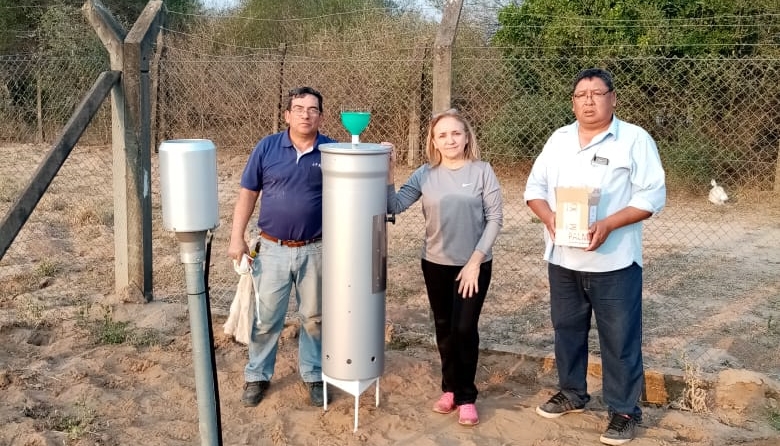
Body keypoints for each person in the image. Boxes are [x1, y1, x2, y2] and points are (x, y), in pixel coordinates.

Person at [524, 68, 666, 445]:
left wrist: (608, 224)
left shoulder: (634, 140)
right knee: (566, 332)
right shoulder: (558, 139)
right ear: (572, 102)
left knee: (619, 340)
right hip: (563, 260)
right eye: (580, 94)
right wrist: (550, 217)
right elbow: (534, 188)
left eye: (596, 93)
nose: (588, 100)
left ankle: (623, 411)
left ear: (613, 98)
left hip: (614, 262)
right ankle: (572, 392)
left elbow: (652, 196)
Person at [386, 108, 503, 426]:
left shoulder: (482, 171)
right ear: (433, 141)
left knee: (464, 329)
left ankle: (466, 396)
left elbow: (495, 219)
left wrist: (476, 261)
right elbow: (392, 207)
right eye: (442, 135)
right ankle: (449, 389)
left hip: (474, 265)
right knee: (444, 329)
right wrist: (389, 172)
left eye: (455, 133)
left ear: (466, 137)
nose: (449, 139)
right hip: (435, 264)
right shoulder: (425, 174)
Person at [227, 86, 336, 408]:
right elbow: (248, 193)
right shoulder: (267, 147)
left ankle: (315, 374)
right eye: (299, 108)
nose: (306, 114)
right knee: (266, 318)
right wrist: (237, 237)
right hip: (272, 248)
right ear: (287, 115)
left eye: (313, 109)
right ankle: (257, 375)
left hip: (316, 248)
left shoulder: (333, 151)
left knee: (315, 317)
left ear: (321, 116)